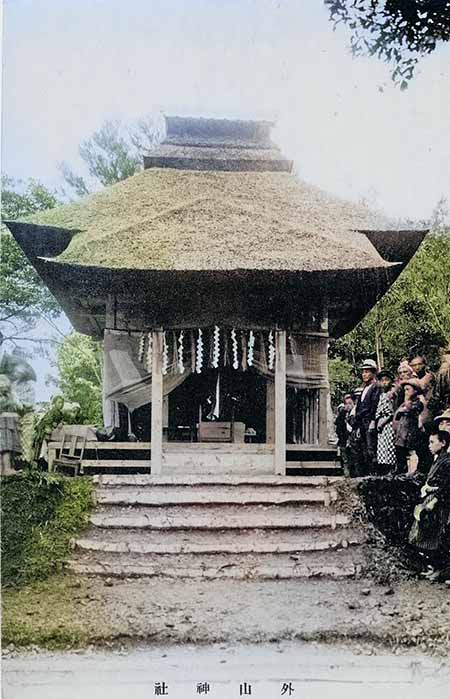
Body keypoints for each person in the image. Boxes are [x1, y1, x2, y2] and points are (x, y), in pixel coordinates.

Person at [408, 430, 450, 583]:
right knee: (427, 534)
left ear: (443, 443)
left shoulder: (447, 461)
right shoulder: (438, 459)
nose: (429, 445)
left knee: (436, 535)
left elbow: (446, 485)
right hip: (430, 497)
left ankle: (439, 570)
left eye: (433, 442)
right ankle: (433, 568)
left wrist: (434, 500)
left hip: (439, 502)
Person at [352, 359, 380, 475]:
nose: (364, 374)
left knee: (370, 448)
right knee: (362, 447)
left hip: (369, 421)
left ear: (373, 373)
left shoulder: (375, 387)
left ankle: (372, 474)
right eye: (363, 372)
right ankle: (365, 474)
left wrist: (373, 420)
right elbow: (359, 407)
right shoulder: (364, 388)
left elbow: (373, 405)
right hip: (361, 422)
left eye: (367, 372)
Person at [410, 355, 435, 473]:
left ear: (424, 365)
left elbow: (420, 386)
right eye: (413, 365)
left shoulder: (429, 376)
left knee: (427, 445)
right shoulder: (413, 378)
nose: (416, 367)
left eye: (418, 364)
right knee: (419, 447)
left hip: (428, 414)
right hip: (416, 414)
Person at [392, 379, 423, 475]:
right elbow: (397, 415)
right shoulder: (403, 403)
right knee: (400, 453)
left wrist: (406, 403)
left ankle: (411, 472)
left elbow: (410, 409)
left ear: (415, 391)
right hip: (402, 433)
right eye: (405, 390)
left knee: (411, 452)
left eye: (408, 389)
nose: (406, 392)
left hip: (410, 432)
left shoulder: (417, 402)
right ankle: (401, 471)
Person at [374, 369, 396, 475]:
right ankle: (384, 471)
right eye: (382, 380)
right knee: (382, 448)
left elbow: (392, 411)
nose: (384, 383)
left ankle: (391, 471)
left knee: (389, 447)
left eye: (386, 380)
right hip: (381, 423)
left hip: (388, 423)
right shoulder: (381, 394)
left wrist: (383, 421)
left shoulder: (392, 394)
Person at [335, 393, 354, 476]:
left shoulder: (354, 413)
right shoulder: (342, 414)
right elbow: (338, 426)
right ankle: (346, 471)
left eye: (350, 404)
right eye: (346, 404)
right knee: (344, 455)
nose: (348, 406)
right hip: (344, 437)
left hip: (352, 438)